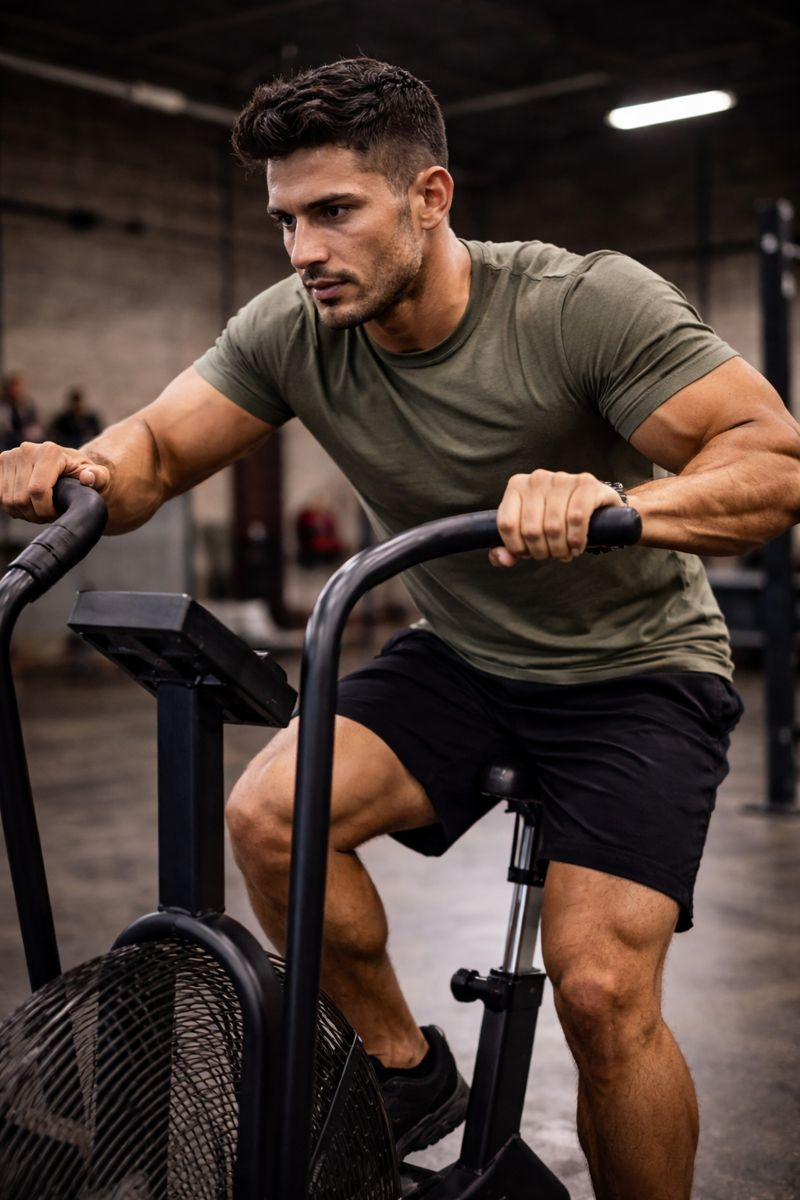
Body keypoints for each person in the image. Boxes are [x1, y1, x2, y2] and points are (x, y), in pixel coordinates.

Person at [1, 58, 799, 1200]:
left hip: (634, 672)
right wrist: (70, 470)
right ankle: (400, 1066)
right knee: (270, 819)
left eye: (334, 212)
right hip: (466, 653)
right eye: (284, 219)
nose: (302, 250)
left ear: (429, 197)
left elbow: (767, 462)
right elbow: (159, 452)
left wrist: (614, 505)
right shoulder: (294, 327)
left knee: (599, 991)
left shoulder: (578, 304)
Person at [0, 371, 43, 451]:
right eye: (13, 386)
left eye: (18, 386)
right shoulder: (3, 405)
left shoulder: (28, 404)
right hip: (6, 440)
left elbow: (35, 424)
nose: (16, 389)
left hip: (25, 438)